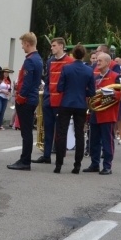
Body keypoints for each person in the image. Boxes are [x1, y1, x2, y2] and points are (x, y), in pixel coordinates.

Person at [53, 44, 96, 174]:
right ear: (84, 56)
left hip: (66, 103)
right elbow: (92, 92)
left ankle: (58, 164)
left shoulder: (66, 68)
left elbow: (59, 88)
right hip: (80, 104)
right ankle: (77, 165)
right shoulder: (89, 70)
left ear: (73, 54)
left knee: (62, 133)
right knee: (79, 135)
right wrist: (83, 92)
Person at [7, 32, 43, 171]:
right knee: (26, 132)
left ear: (28, 43)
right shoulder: (38, 58)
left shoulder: (30, 60)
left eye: (23, 44)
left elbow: (27, 82)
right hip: (32, 98)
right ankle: (24, 159)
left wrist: (20, 97)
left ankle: (25, 160)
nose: (22, 47)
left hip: (27, 99)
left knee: (26, 132)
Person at [33, 37, 71, 165]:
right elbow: (48, 79)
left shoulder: (69, 61)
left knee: (60, 130)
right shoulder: (50, 61)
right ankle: (46, 155)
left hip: (61, 100)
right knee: (47, 128)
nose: (52, 48)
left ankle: (60, 156)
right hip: (49, 98)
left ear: (61, 46)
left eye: (54, 45)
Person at [85, 51, 120, 175]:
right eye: (97, 60)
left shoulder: (116, 76)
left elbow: (120, 94)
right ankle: (94, 164)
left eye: (100, 61)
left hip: (108, 113)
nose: (97, 62)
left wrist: (106, 92)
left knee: (107, 141)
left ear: (107, 63)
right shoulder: (95, 77)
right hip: (96, 112)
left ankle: (107, 166)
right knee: (93, 141)